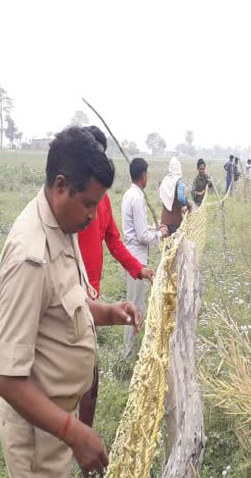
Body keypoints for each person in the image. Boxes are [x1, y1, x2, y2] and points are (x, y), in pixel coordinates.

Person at [0, 126, 142, 478]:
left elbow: (60, 305)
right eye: (88, 203)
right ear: (61, 186)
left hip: (57, 419)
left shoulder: (63, 223)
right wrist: (73, 432)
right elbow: (6, 379)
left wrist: (107, 312)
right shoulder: (30, 257)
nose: (93, 215)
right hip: (38, 435)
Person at [76, 126, 154, 430]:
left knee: (89, 379)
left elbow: (114, 240)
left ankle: (84, 434)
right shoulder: (68, 201)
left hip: (90, 298)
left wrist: (139, 268)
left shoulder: (103, 201)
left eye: (98, 154)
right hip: (67, 297)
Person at [121, 158, 169, 358]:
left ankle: (130, 351)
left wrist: (153, 229)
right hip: (136, 259)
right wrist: (159, 235)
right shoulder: (138, 198)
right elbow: (141, 235)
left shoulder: (128, 194)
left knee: (134, 303)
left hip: (131, 255)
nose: (147, 177)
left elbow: (137, 228)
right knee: (135, 306)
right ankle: (127, 354)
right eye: (147, 174)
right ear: (143, 175)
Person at [159, 157, 192, 235]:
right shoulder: (179, 182)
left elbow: (161, 195)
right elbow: (180, 197)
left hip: (164, 220)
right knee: (176, 244)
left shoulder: (165, 180)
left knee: (167, 245)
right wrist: (187, 204)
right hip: (175, 221)